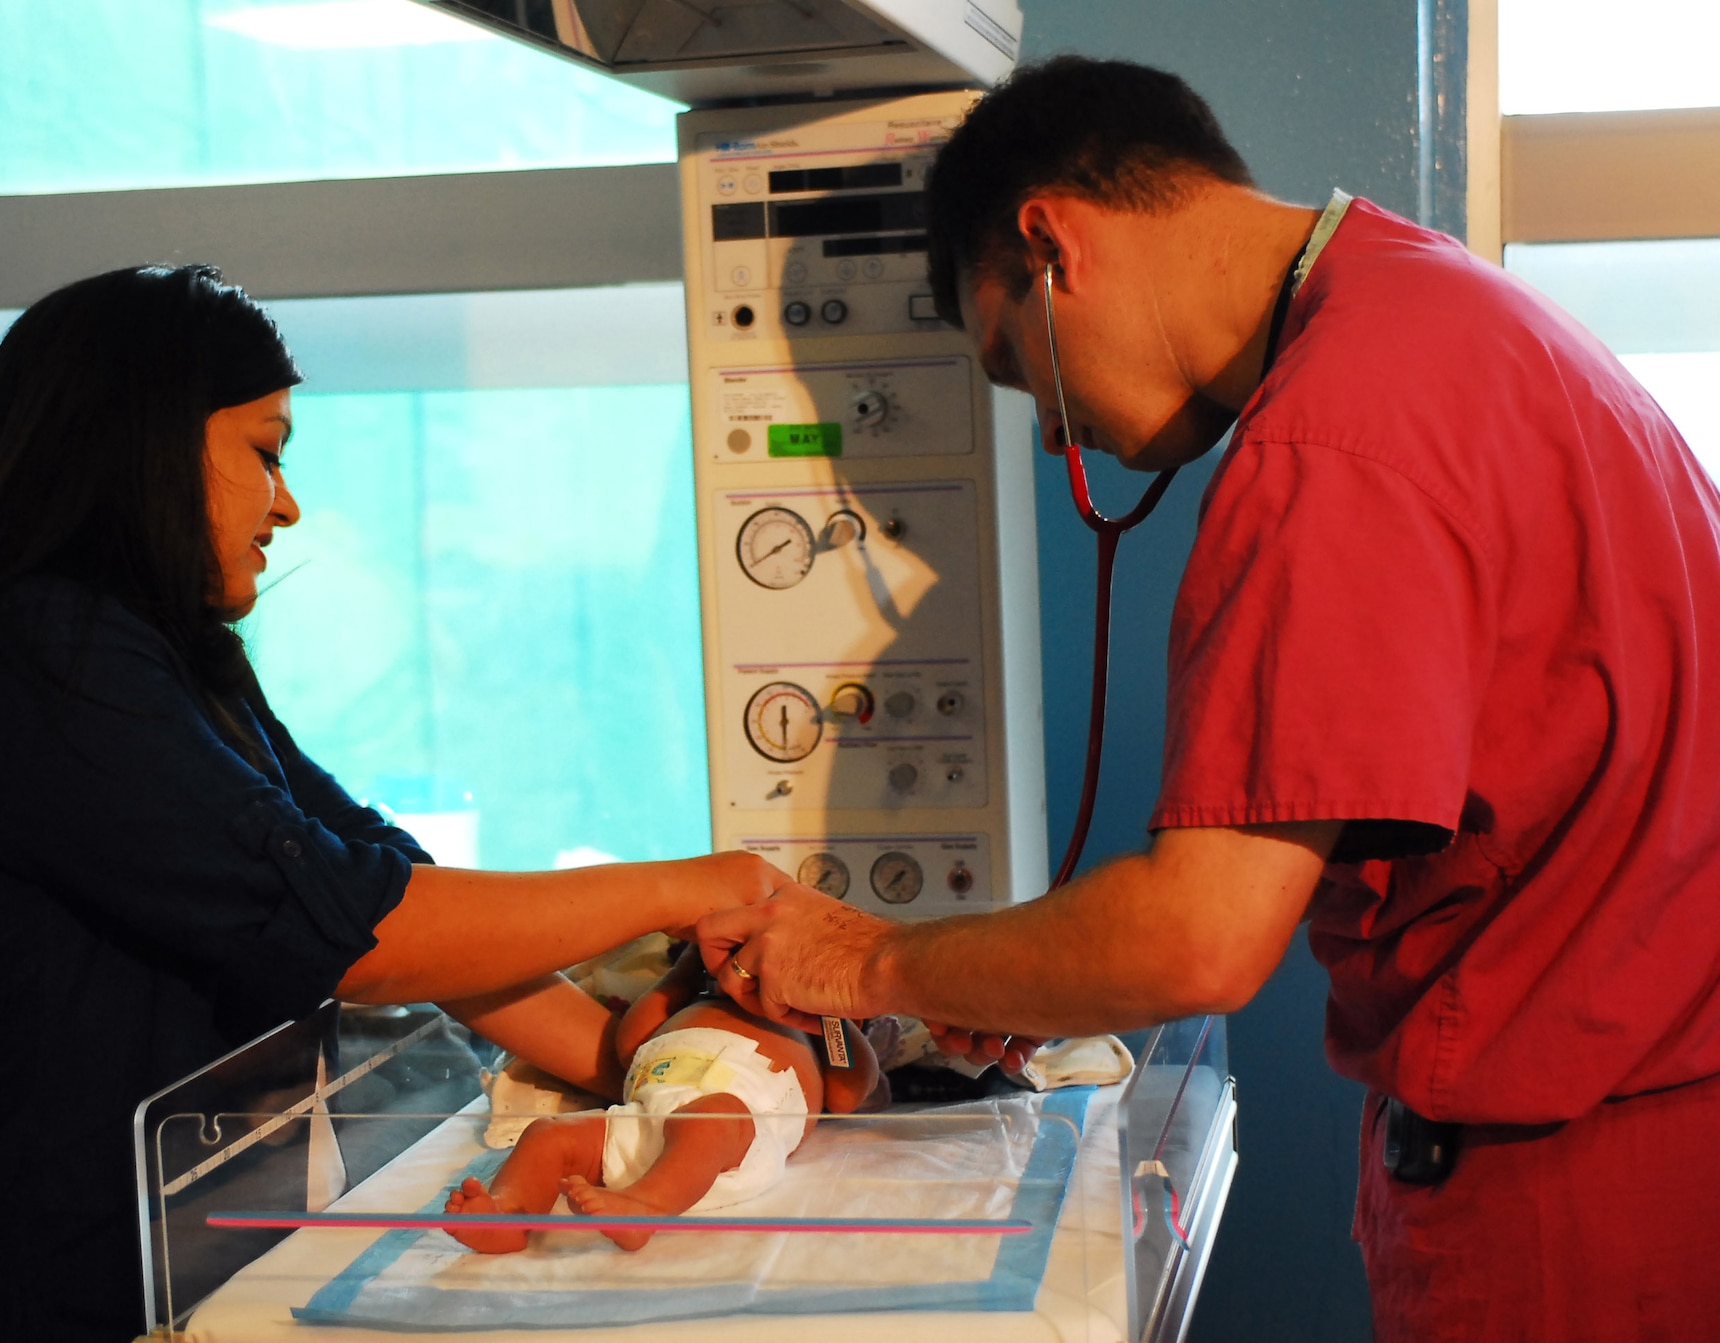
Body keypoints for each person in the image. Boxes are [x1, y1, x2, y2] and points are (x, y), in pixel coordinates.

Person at [696, 56, 1720, 1342]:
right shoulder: (1449, 307)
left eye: (1017, 368)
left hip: (1576, 1198)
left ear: (1048, 241)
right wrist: (1003, 973)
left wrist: (865, 959)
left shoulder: (1333, 436)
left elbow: (1197, 938)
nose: (1060, 440)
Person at [0, 265, 787, 1343]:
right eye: (264, 450)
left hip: (179, 1274)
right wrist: (692, 886)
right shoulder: (34, 663)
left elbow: (388, 882)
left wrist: (674, 1068)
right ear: (144, 441)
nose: (285, 502)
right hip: (44, 1295)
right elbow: (356, 927)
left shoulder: (173, 662)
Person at [445, 944, 879, 1254]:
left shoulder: (815, 1032)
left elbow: (845, 1094)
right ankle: (509, 1213)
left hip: (732, 1144)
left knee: (708, 1116)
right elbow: (628, 1042)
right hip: (641, 1122)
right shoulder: (694, 999)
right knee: (546, 1135)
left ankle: (644, 1207)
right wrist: (690, 968)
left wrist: (828, 1013)